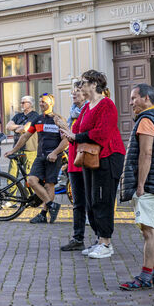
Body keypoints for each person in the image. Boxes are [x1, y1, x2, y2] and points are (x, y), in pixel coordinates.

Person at [59, 70, 126, 259]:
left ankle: (106, 242)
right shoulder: (87, 106)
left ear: (94, 85)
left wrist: (76, 136)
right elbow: (77, 128)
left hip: (108, 156)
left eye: (84, 82)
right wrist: (66, 131)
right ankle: (99, 240)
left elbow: (102, 132)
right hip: (91, 158)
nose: (80, 86)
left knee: (102, 200)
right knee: (91, 201)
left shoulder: (107, 104)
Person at [119, 84, 154, 290]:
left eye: (134, 98)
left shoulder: (147, 120)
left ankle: (145, 276)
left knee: (149, 232)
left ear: (146, 98)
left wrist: (140, 184)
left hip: (149, 184)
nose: (131, 102)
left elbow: (146, 154)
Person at [5, 93, 66, 224]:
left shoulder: (58, 119)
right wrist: (13, 150)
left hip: (54, 157)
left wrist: (55, 152)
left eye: (43, 101)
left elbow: (66, 140)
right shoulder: (38, 119)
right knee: (31, 180)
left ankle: (43, 214)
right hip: (40, 156)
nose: (41, 104)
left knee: (49, 185)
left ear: (51, 103)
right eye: (40, 101)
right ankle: (51, 205)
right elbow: (25, 136)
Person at [59, 81, 93, 251]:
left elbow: (86, 134)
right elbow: (70, 136)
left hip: (87, 158)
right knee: (78, 203)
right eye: (73, 92)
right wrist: (64, 129)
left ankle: (100, 240)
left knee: (92, 201)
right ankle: (78, 238)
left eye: (77, 91)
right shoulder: (73, 113)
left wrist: (69, 130)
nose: (73, 94)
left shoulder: (89, 110)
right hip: (74, 159)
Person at [6, 96, 39, 183]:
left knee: (29, 176)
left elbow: (25, 129)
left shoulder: (35, 115)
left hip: (29, 150)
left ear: (30, 104)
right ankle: (11, 196)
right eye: (21, 102)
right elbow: (8, 126)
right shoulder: (18, 116)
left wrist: (18, 128)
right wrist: (19, 127)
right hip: (16, 149)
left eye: (24, 102)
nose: (21, 104)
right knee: (11, 175)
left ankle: (28, 196)